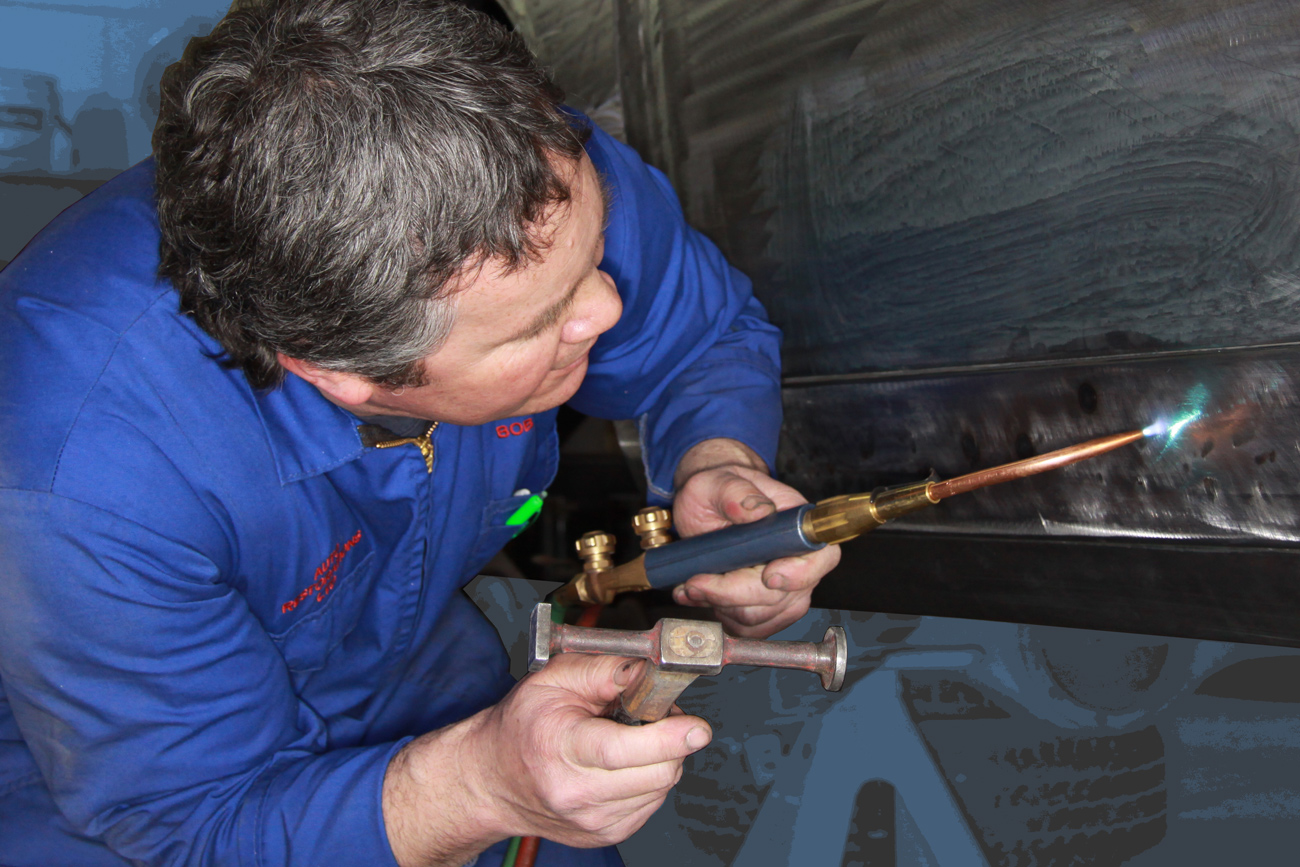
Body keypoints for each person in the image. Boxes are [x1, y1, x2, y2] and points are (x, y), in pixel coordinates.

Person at [0, 1, 840, 865]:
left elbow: (698, 335)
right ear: (345, 374)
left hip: (419, 672)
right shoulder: (83, 474)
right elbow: (197, 816)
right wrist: (477, 785)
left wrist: (715, 457)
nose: (608, 305)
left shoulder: (529, 182)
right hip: (121, 765)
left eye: (593, 255)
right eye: (540, 325)